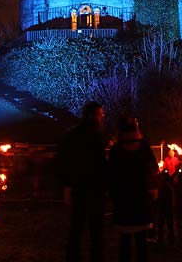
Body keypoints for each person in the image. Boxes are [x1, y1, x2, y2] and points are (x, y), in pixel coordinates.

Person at [56, 101, 107, 262]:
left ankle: (73, 257)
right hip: (92, 190)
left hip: (79, 189)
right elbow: (100, 165)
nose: (102, 117)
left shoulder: (71, 135)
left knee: (76, 229)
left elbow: (63, 162)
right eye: (100, 114)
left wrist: (67, 185)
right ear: (92, 116)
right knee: (95, 231)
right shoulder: (95, 136)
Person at [108, 117, 159, 262]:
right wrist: (153, 189)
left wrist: (113, 195)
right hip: (140, 200)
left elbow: (110, 176)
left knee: (125, 242)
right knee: (141, 242)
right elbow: (153, 169)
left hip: (123, 201)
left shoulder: (116, 150)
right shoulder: (144, 147)